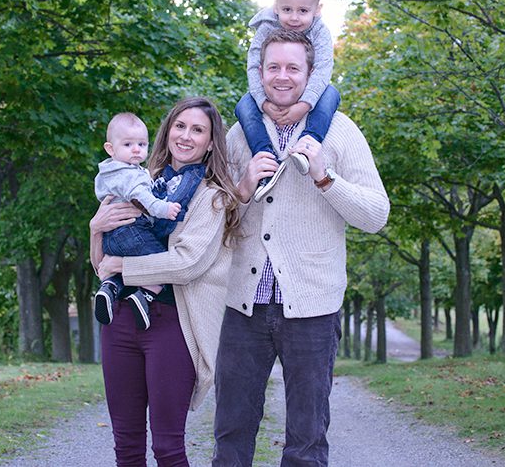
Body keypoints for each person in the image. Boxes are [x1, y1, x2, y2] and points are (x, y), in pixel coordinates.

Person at [214, 29, 390, 466]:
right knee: (231, 433)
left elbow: (375, 215)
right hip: (242, 307)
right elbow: (211, 220)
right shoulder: (239, 134)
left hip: (312, 308)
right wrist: (242, 186)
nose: (282, 76)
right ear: (260, 72)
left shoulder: (341, 131)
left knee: (307, 439)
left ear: (310, 75)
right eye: (273, 66)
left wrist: (326, 178)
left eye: (293, 67)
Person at [90, 97, 241, 467]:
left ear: (210, 142)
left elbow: (186, 264)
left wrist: (123, 267)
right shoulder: (137, 181)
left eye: (198, 130)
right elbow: (101, 266)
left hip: (172, 326)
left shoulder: (213, 198)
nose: (186, 136)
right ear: (167, 130)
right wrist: (95, 230)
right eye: (180, 126)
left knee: (168, 447)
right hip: (120, 321)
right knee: (125, 445)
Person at [234, 0, 341, 202]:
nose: (294, 18)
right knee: (244, 105)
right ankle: (264, 155)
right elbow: (254, 66)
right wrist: (262, 102)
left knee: (331, 94)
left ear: (317, 10)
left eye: (303, 11)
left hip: (312, 94)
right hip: (264, 96)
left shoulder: (320, 32)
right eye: (287, 10)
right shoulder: (266, 27)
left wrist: (304, 105)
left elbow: (322, 70)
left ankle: (308, 143)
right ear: (276, 7)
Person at [93, 112, 205, 331]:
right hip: (132, 233)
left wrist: (115, 264)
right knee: (159, 261)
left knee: (113, 275)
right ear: (110, 148)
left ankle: (109, 289)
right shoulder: (132, 175)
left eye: (141, 144)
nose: (136, 149)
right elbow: (144, 201)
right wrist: (94, 228)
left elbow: (104, 266)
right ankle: (146, 293)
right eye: (128, 144)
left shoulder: (117, 172)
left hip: (114, 242)